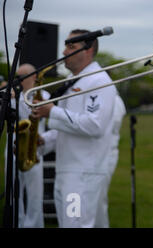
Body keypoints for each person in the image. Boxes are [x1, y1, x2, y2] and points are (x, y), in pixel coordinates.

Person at [33, 29, 118, 228]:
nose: (64, 52)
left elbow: (94, 125)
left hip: (82, 173)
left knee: (75, 225)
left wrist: (51, 111)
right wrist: (44, 141)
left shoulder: (99, 81)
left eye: (71, 47)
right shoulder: (74, 83)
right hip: (68, 170)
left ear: (88, 51)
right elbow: (67, 127)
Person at [4, 63, 49, 228]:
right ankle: (18, 222)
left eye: (22, 77)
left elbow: (35, 113)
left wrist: (20, 99)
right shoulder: (12, 94)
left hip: (33, 149)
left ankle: (34, 224)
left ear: (33, 77)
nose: (19, 80)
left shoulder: (42, 94)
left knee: (34, 193)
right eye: (17, 77)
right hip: (13, 149)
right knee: (13, 193)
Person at [95, 94, 126, 228]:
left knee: (98, 199)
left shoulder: (114, 99)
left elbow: (104, 127)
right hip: (91, 155)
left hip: (106, 154)